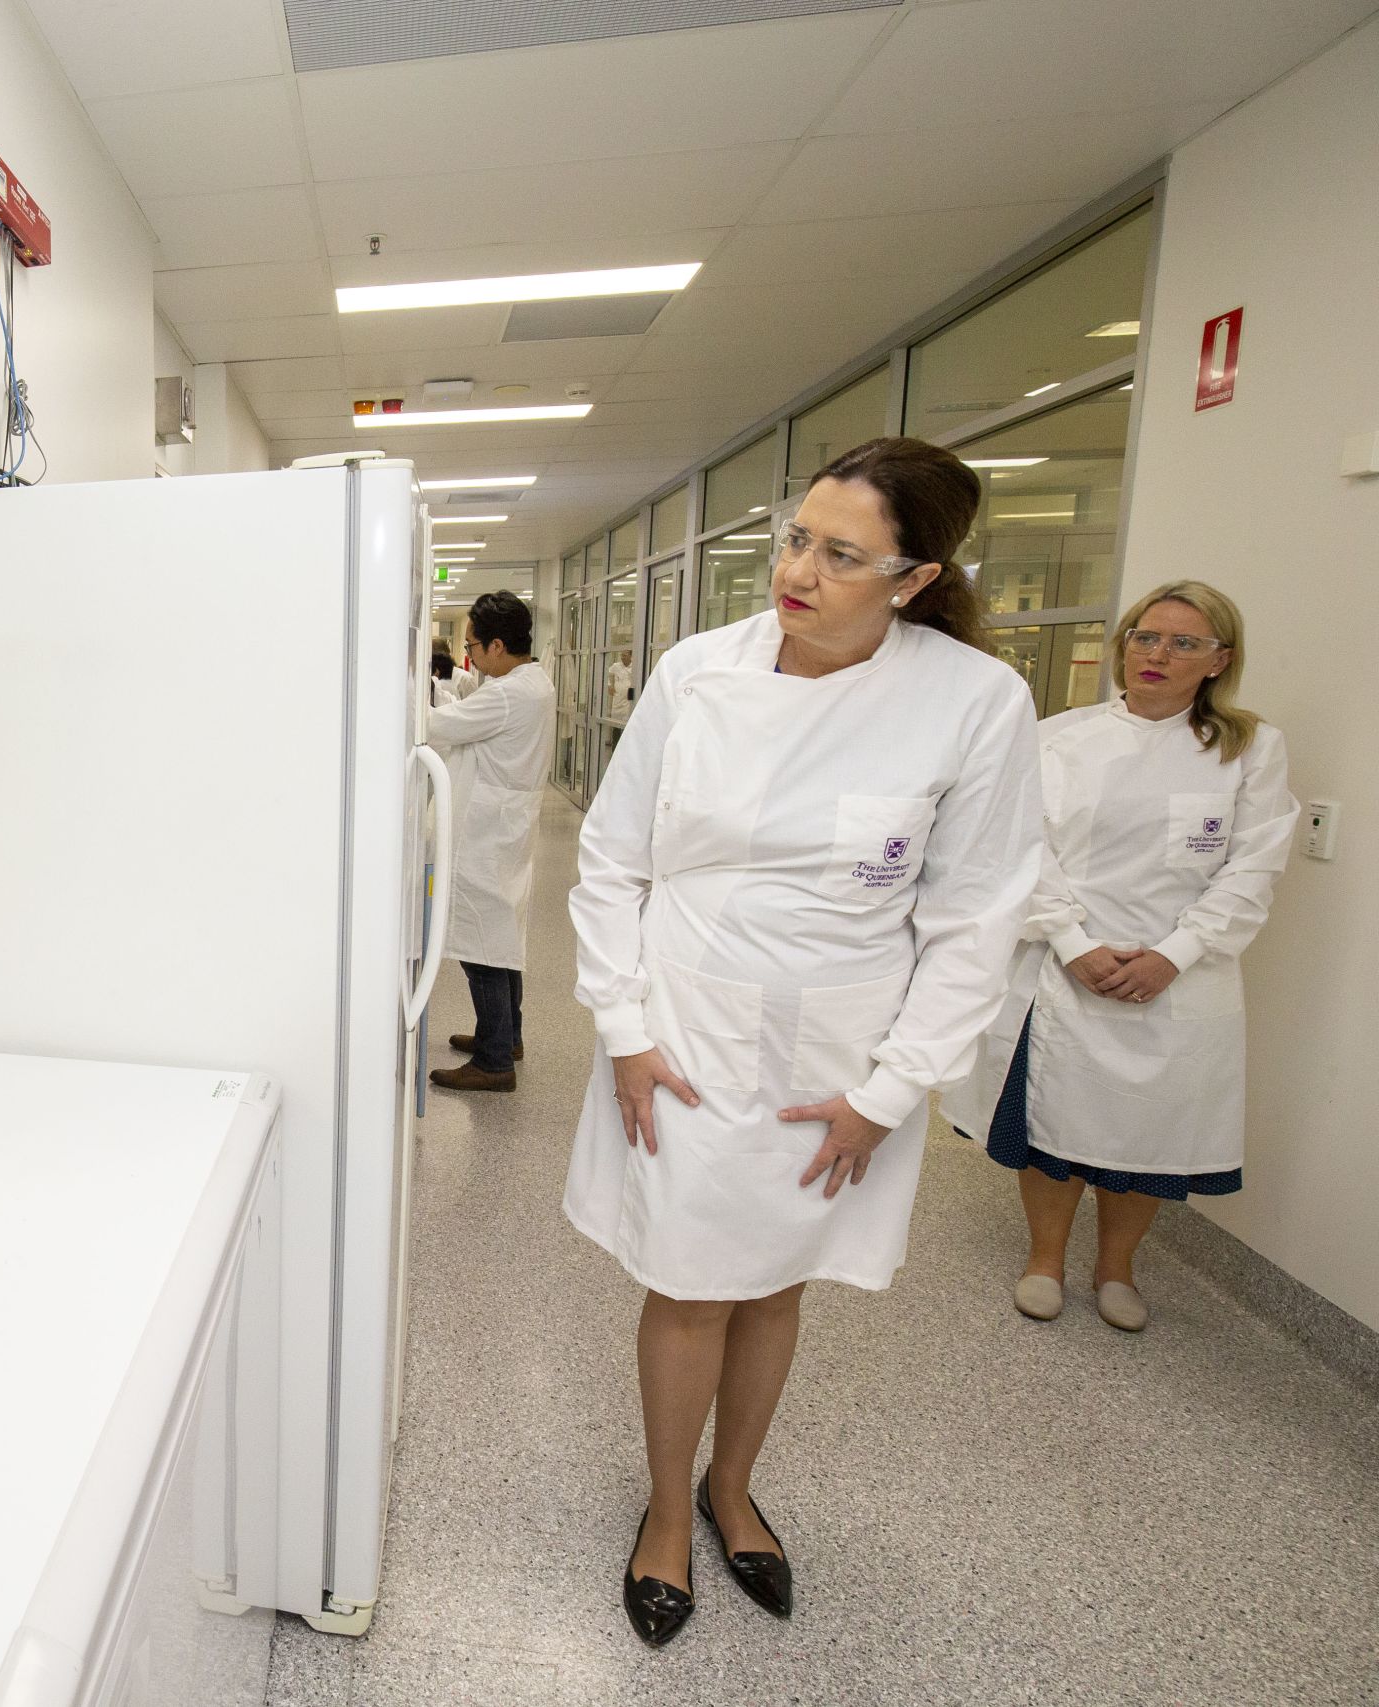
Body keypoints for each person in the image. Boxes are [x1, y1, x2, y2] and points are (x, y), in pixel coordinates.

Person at [562, 438, 1039, 1647]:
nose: (799, 570)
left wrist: (889, 1092)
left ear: (914, 578)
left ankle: (736, 1490)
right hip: (682, 1029)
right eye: (795, 538)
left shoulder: (972, 702)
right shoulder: (698, 671)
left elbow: (976, 918)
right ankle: (668, 1511)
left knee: (773, 1281)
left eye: (841, 555)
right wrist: (622, 1028)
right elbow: (613, 856)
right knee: (686, 1281)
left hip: (842, 1050)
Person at [946, 582, 1296, 1331]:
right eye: (1144, 636)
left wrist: (1174, 952)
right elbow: (1020, 847)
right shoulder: (1059, 737)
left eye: (1182, 643)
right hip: (1069, 964)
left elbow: (1255, 865)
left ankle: (1116, 1269)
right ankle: (1044, 1259)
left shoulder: (1248, 748)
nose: (1156, 654)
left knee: (1151, 1135)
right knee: (1051, 1128)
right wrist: (1072, 941)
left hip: (1181, 978)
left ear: (1219, 661)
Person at [425, 590, 554, 1093]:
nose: (471, 657)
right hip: (505, 826)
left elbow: (439, 726)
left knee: (482, 945)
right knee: (501, 936)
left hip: (488, 832)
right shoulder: (532, 681)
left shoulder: (508, 693)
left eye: (474, 647)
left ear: (499, 646)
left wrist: (418, 696)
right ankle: (505, 1037)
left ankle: (495, 1060)